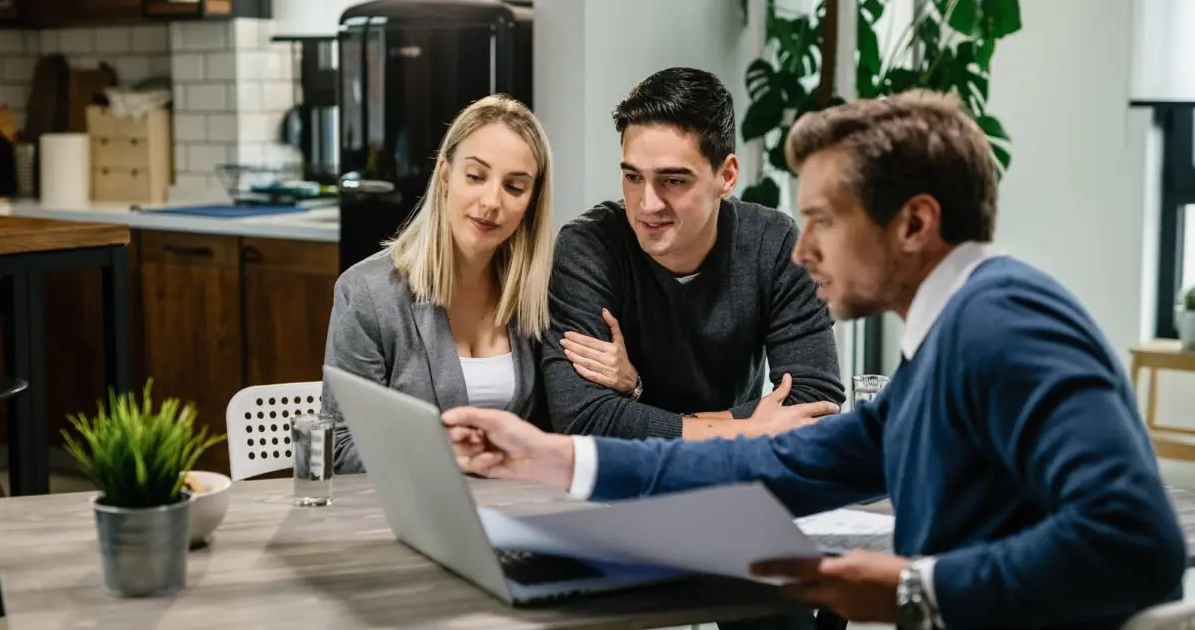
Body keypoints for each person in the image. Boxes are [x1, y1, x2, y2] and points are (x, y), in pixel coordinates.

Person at [442, 90, 1188, 629]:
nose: (801, 251)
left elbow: (1135, 541)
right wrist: (553, 457)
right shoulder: (946, 341)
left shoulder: (1005, 322)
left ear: (915, 224)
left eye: (825, 221)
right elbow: (773, 465)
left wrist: (913, 588)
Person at [545, 66, 845, 442]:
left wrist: (637, 398)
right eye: (633, 177)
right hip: (624, 486)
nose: (647, 204)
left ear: (727, 175)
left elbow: (817, 402)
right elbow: (582, 419)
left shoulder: (774, 243)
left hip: (733, 483)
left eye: (673, 180)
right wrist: (748, 428)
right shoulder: (590, 247)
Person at [319, 94, 563, 474]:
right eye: (476, 176)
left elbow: (564, 425)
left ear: (531, 202)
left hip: (519, 512)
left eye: (515, 187)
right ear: (446, 174)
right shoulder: (367, 293)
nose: (491, 201)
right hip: (413, 518)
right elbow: (338, 447)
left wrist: (629, 380)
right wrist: (441, 453)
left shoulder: (541, 294)